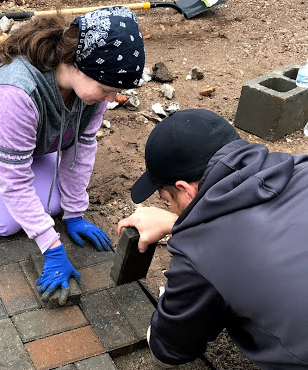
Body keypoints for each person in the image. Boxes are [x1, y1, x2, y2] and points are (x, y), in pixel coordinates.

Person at [0, 7, 145, 302]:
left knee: (57, 202)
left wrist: (75, 212)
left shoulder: (94, 88)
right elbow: (14, 179)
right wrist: (52, 247)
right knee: (5, 221)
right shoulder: (17, 92)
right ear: (76, 65)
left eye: (117, 91)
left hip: (2, 133)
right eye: (106, 90)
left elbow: (81, 147)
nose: (112, 100)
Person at [118, 109, 308, 369]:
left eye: (167, 200)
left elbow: (169, 351)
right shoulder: (299, 166)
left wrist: (190, 239)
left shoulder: (200, 261)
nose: (170, 207)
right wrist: (178, 225)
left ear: (185, 189)